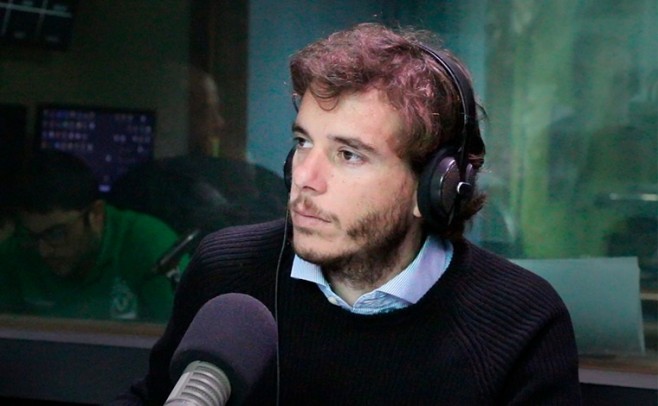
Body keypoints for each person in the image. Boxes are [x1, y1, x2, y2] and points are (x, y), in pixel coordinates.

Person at [114, 23, 581, 404]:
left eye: (348, 155)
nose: (304, 177)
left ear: (433, 187)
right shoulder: (226, 272)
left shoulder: (521, 321)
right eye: (303, 142)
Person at [0, 149, 186, 322]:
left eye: (56, 234)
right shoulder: (16, 249)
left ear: (96, 214)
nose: (44, 251)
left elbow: (188, 334)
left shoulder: (152, 248)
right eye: (31, 236)